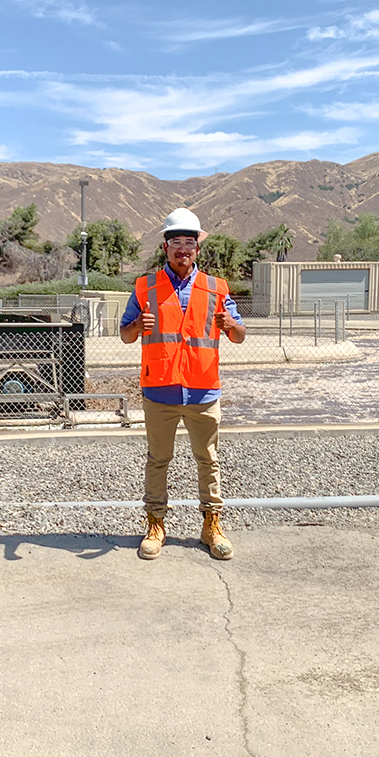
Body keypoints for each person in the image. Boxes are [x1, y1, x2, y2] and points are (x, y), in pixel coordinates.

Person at [119, 208, 247, 560]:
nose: (183, 249)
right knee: (158, 460)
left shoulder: (216, 288)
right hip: (159, 390)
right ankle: (156, 524)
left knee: (208, 460)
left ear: (197, 249)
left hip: (203, 390)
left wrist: (229, 325)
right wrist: (137, 328)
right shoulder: (144, 287)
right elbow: (125, 335)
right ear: (166, 246)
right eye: (176, 242)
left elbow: (238, 335)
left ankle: (211, 525)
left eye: (189, 243)